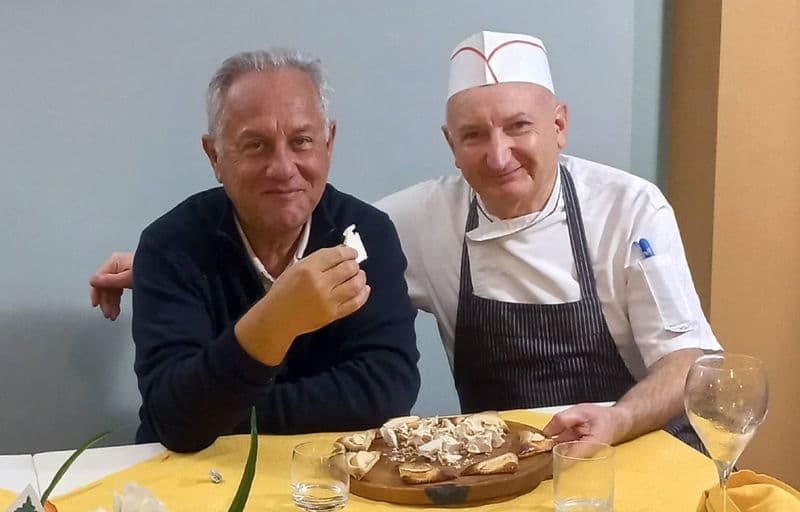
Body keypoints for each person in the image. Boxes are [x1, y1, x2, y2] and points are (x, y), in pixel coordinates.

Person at [91, 31, 720, 449]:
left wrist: (619, 419)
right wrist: (156, 264)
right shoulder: (419, 218)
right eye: (473, 135)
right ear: (450, 144)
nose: (499, 155)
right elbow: (283, 219)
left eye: (519, 127)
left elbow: (688, 360)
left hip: (636, 444)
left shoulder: (631, 208)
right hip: (504, 466)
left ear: (559, 125)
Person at [114, 48, 420, 452]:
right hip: (196, 478)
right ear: (215, 156)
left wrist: (227, 410)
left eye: (302, 141)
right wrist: (277, 319)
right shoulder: (171, 245)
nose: (283, 167)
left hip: (332, 472)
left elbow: (386, 392)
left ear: (328, 144)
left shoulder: (368, 234)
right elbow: (175, 419)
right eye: (256, 145)